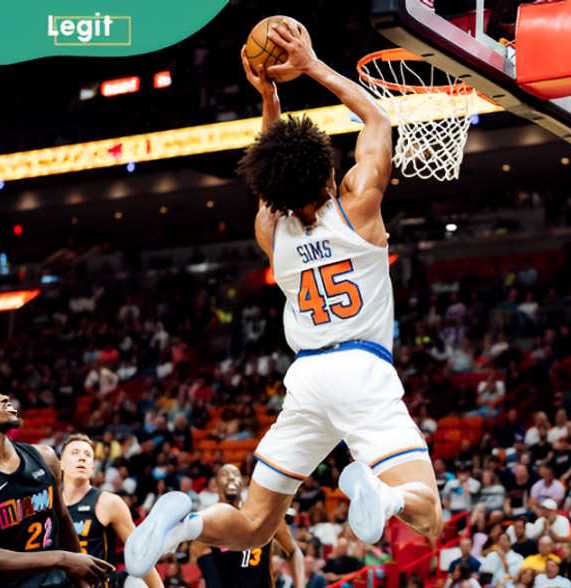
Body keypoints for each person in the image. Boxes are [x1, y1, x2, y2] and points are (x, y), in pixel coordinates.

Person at [124, 21, 442, 579]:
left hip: (308, 379)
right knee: (430, 515)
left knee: (255, 525)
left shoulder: (273, 236)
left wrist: (270, 98)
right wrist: (312, 64)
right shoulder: (359, 209)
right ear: (328, 171)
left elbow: (271, 184)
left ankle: (184, 526)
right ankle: (384, 500)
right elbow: (375, 118)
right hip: (361, 369)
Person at [0, 377, 114, 587]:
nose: (5, 397)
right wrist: (61, 559)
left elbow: (63, 520)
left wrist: (81, 581)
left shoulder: (45, 457)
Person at [59, 433, 163, 588]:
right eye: (75, 453)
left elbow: (139, 555)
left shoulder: (109, 502)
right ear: (61, 464)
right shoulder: (50, 504)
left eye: (88, 455)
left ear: (93, 467)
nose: (82, 458)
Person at [190, 465, 305, 588]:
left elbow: (294, 551)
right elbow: (213, 582)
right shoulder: (208, 525)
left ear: (243, 483)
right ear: (215, 485)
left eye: (235, 474)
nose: (230, 478)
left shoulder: (264, 514)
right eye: (224, 475)